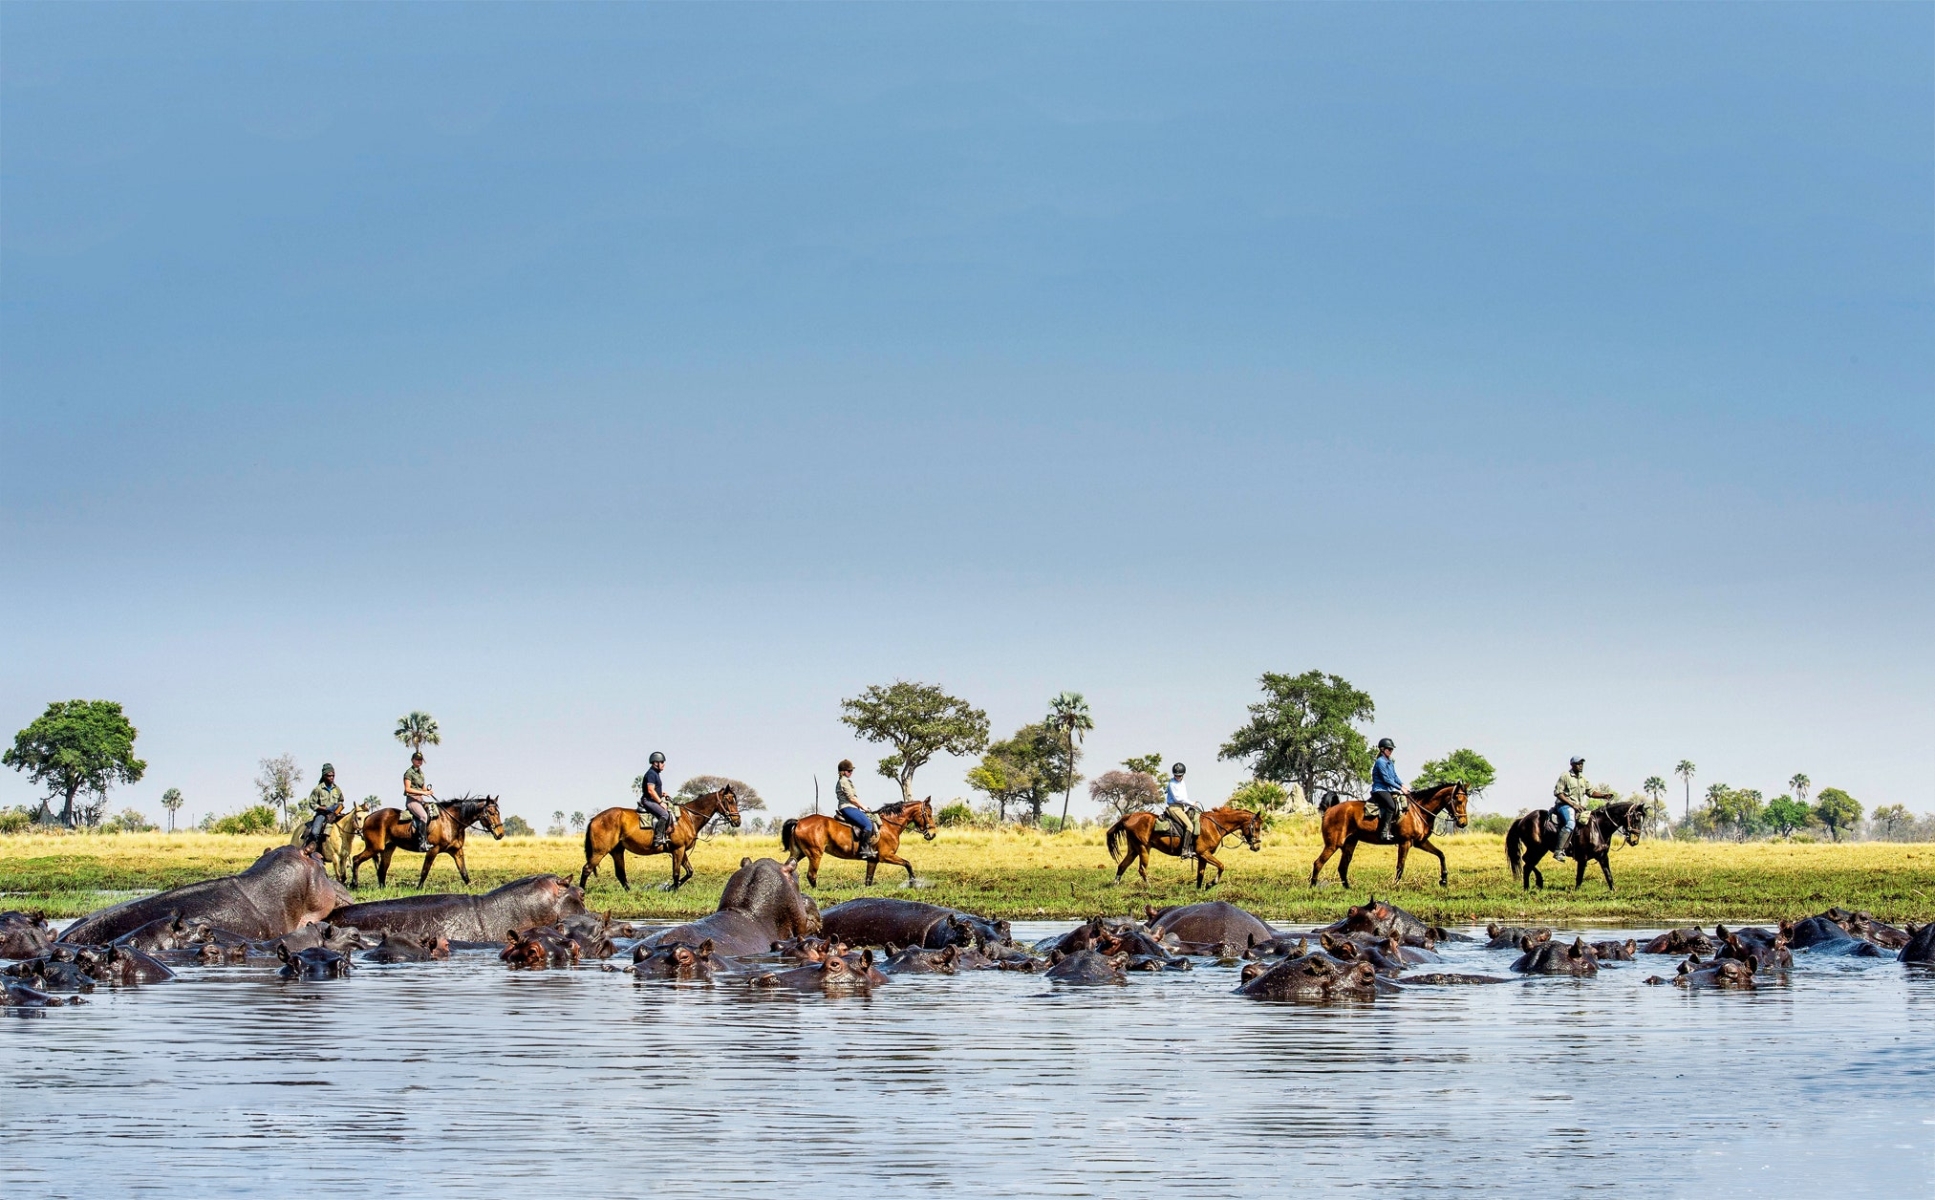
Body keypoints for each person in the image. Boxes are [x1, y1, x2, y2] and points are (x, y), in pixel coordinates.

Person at [1552, 756, 1616, 861]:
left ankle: (1578, 848)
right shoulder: (1565, 776)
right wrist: (1573, 804)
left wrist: (1603, 796)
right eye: (1578, 764)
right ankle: (1558, 851)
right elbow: (1558, 793)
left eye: (1582, 764)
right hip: (1564, 806)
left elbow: (1591, 792)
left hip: (1578, 808)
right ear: (1572, 765)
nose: (1581, 766)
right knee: (1570, 823)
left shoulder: (1582, 778)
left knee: (1590, 823)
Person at [835, 759, 877, 860]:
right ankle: (864, 849)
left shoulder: (846, 781)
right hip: (847, 807)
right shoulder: (844, 781)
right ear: (844, 771)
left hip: (851, 807)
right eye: (849, 771)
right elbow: (851, 798)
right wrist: (863, 806)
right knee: (868, 824)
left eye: (851, 771)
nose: (851, 773)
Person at [1369, 738, 1409, 842]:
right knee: (1391, 806)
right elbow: (1386, 779)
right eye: (1389, 749)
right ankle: (1384, 832)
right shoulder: (1380, 762)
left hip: (1388, 789)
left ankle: (1393, 830)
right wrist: (1400, 788)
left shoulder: (1390, 762)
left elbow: (1394, 777)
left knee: (1400, 803)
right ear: (1382, 749)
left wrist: (1403, 785)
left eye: (1392, 749)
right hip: (1379, 789)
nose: (1391, 751)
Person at [302, 763, 346, 854]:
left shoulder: (337, 789)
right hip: (322, 814)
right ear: (324, 776)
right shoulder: (318, 789)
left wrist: (336, 813)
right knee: (314, 832)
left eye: (333, 775)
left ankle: (345, 852)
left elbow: (341, 802)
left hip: (334, 814)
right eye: (329, 776)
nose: (331, 778)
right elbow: (312, 803)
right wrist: (324, 809)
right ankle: (314, 851)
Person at [1164, 763, 1199, 861]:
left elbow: (1184, 796)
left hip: (1182, 807)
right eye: (1176, 775)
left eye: (1179, 775)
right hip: (1174, 808)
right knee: (1190, 826)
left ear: (1183, 774)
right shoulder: (1172, 784)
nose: (1177, 777)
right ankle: (1184, 851)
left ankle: (1192, 848)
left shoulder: (1182, 783)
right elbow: (1178, 798)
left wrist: (1190, 805)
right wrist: (1191, 803)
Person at [638, 751, 673, 850]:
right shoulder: (651, 774)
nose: (663, 765)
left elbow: (654, 790)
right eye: (662, 762)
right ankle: (657, 838)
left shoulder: (655, 773)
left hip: (652, 800)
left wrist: (662, 794)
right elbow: (650, 790)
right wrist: (660, 802)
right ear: (655, 763)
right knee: (665, 814)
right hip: (648, 801)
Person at [403, 751, 435, 850]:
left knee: (433, 812)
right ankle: (421, 843)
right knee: (423, 816)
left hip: (420, 800)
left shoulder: (420, 773)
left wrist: (427, 791)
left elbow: (422, 787)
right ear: (412, 760)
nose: (419, 761)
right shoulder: (409, 773)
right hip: (412, 800)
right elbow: (407, 789)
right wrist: (423, 793)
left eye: (420, 760)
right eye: (417, 759)